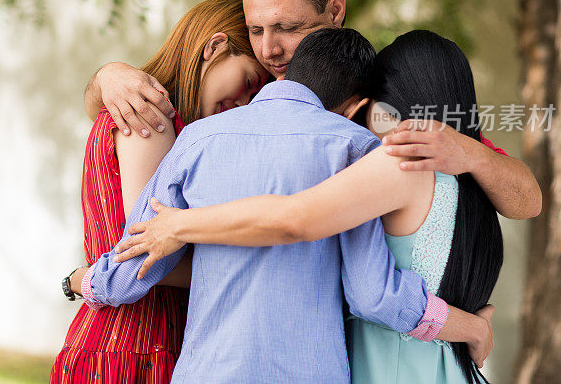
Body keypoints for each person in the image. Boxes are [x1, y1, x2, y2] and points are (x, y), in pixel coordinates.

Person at [80, 28, 494, 384]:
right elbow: (373, 295)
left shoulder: (197, 138)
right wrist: (465, 325)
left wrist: (79, 282)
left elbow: (132, 268)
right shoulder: (354, 148)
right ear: (355, 106)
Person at [82, 0, 541, 221]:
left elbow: (527, 201)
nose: (268, 49)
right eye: (256, 30)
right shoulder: (248, 94)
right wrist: (107, 77)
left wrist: (467, 152)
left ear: (334, 11)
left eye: (287, 27)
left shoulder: (381, 92)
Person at [51, 0, 269, 384]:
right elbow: (145, 257)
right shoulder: (152, 118)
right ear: (215, 47)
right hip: (141, 344)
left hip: (120, 337)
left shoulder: (148, 114)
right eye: (249, 81)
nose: (243, 102)